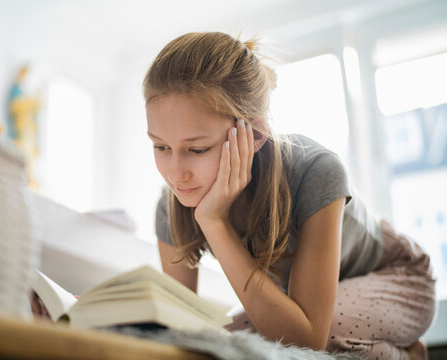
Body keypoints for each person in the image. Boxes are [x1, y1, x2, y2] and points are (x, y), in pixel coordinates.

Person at [144, 31, 436, 360]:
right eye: (160, 146)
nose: (175, 172)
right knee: (223, 347)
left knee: (315, 341)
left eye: (197, 149)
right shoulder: (171, 206)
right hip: (302, 308)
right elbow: (181, 323)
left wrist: (214, 222)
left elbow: (306, 339)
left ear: (253, 135)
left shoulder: (315, 170)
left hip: (396, 278)